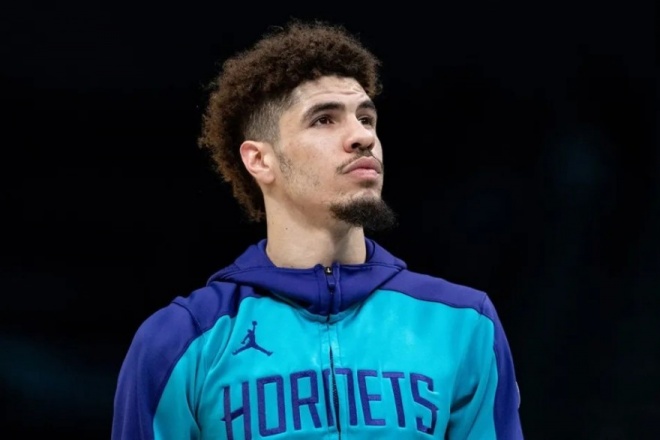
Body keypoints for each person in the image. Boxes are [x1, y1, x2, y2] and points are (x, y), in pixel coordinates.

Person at [111, 19, 524, 439]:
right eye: (324, 120)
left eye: (366, 118)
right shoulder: (181, 340)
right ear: (260, 160)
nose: (362, 136)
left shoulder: (463, 325)